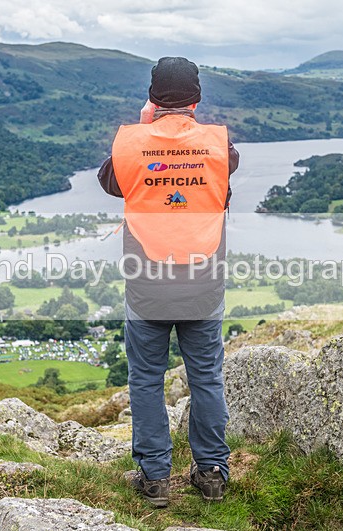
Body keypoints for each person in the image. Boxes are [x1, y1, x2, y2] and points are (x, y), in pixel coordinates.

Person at [97, 56, 239, 507]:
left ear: (153, 98)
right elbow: (222, 189)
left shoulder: (130, 147)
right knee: (206, 378)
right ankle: (212, 471)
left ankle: (155, 478)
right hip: (203, 281)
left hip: (147, 285)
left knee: (145, 380)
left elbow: (110, 182)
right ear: (196, 100)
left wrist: (143, 128)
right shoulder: (222, 149)